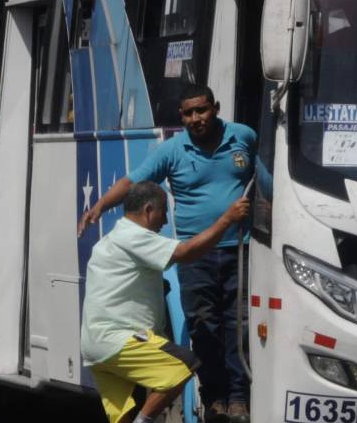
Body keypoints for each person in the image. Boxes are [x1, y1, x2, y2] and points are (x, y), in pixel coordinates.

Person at [81, 85, 257, 422]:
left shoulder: (243, 137)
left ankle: (238, 398)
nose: (195, 119)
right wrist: (101, 206)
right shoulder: (173, 150)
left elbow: (266, 178)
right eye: (188, 114)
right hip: (196, 256)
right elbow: (133, 182)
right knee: (203, 327)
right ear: (181, 116)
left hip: (240, 249)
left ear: (215, 108)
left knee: (240, 325)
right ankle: (215, 399)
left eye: (201, 111)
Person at [82, 181, 249, 423]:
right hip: (118, 340)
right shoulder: (135, 236)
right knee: (184, 365)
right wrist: (227, 219)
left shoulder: (111, 240)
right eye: (163, 213)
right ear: (149, 210)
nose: (164, 221)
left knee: (122, 418)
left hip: (94, 346)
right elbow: (186, 252)